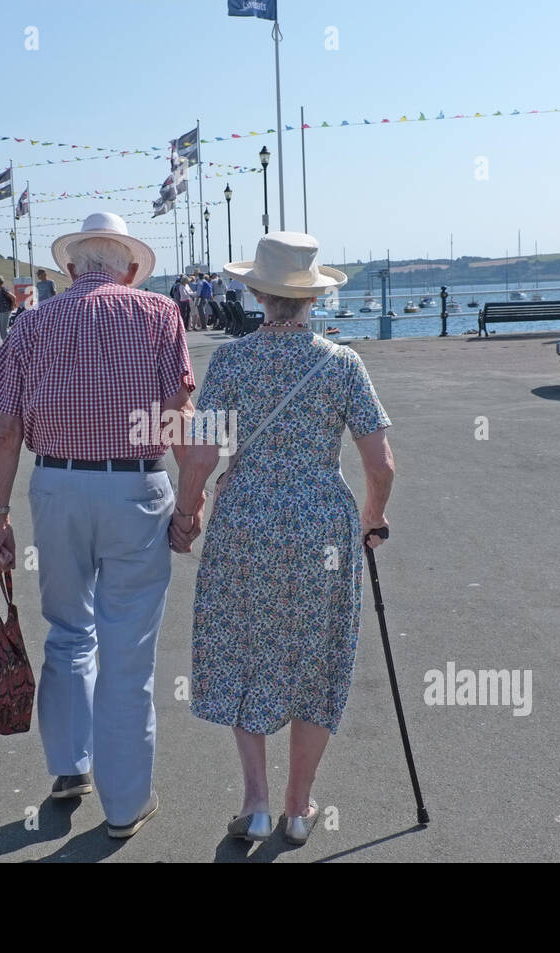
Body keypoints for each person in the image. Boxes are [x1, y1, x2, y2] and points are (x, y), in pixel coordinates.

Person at [171, 231, 394, 846]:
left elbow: (200, 455)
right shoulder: (343, 363)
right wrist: (373, 518)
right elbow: (381, 464)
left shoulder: (233, 360)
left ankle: (258, 802)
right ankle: (299, 809)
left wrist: (185, 517)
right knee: (315, 662)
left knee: (245, 650)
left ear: (258, 293)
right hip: (322, 523)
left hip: (247, 522)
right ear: (312, 298)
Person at [0, 211, 195, 839]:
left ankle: (71, 766)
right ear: (130, 269)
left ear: (70, 269)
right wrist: (191, 499)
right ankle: (125, 806)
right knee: (128, 655)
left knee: (69, 630)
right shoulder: (160, 316)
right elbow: (183, 415)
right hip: (136, 485)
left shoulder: (32, 322)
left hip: (57, 484)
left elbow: (7, 429)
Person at [0, 277, 16, 341]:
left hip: (6, 311)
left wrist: (13, 306)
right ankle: (4, 342)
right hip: (1, 311)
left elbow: (13, 297)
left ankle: (8, 342)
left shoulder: (3, 290)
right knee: (1, 328)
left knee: (4, 328)